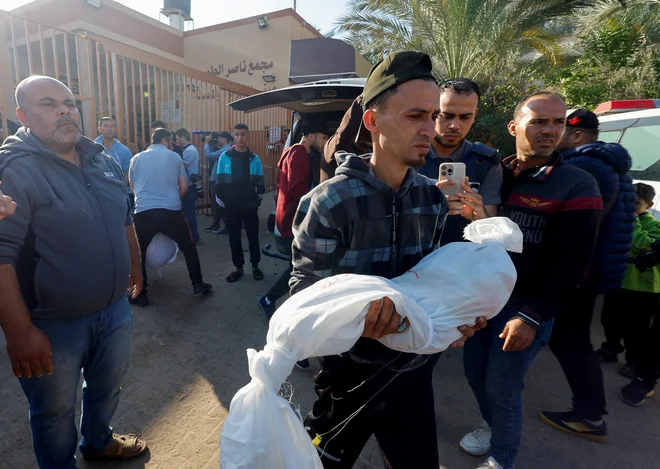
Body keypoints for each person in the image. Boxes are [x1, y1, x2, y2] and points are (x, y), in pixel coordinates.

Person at [291, 51, 485, 469]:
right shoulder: (329, 202)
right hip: (348, 375)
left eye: (433, 116)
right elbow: (303, 296)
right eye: (415, 116)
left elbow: (432, 282)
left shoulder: (432, 198)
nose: (430, 130)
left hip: (414, 372)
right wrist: (360, 320)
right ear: (373, 122)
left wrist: (456, 318)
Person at [0, 75, 147, 468]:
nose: (65, 110)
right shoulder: (14, 171)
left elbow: (124, 216)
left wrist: (135, 265)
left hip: (114, 308)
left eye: (69, 102)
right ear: (23, 116)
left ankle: (98, 441)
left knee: (106, 388)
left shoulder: (102, 159)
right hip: (52, 324)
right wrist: (19, 334)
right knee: (54, 412)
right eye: (48, 104)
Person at [455, 92, 602, 469]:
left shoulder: (577, 183)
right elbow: (486, 235)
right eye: (538, 121)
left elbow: (575, 262)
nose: (550, 130)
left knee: (502, 387)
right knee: (474, 374)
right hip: (485, 300)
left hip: (526, 307)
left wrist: (534, 316)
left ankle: (502, 458)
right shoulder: (496, 174)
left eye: (557, 122)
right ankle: (492, 427)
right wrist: (472, 215)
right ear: (514, 126)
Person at [539, 108, 635, 441]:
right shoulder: (611, 165)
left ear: (578, 135)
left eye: (560, 127)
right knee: (572, 338)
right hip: (599, 268)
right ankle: (590, 412)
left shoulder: (584, 167)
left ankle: (590, 416)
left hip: (583, 270)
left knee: (570, 341)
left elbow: (579, 225)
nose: (552, 133)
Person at [129, 128, 212, 307]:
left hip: (143, 212)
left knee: (138, 252)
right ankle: (197, 283)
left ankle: (141, 293)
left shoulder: (135, 158)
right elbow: (183, 187)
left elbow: (133, 188)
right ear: (165, 141)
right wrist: (171, 199)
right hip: (171, 211)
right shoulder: (175, 157)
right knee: (188, 246)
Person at [418, 78, 502, 245]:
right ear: (433, 111)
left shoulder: (486, 163)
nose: (455, 125)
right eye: (446, 116)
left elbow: (491, 235)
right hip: (414, 262)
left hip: (465, 262)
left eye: (465, 117)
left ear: (475, 115)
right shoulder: (409, 156)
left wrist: (479, 215)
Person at [600, 183, 660, 405]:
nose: (630, 207)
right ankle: (610, 348)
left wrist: (632, 221)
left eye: (636, 204)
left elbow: (644, 245)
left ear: (649, 205)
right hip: (618, 282)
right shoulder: (617, 222)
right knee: (610, 319)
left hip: (643, 289)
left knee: (637, 329)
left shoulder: (652, 225)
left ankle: (634, 361)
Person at [216, 123, 265, 283]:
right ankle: (238, 267)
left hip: (249, 205)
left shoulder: (255, 159)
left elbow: (260, 184)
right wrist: (226, 203)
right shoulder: (225, 157)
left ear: (248, 136)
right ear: (233, 136)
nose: (240, 138)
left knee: (253, 237)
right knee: (234, 237)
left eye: (243, 134)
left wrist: (256, 202)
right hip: (232, 206)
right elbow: (220, 183)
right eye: (236, 134)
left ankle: (255, 265)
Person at [174, 128, 202, 244]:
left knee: (189, 213)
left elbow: (181, 166)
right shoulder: (188, 150)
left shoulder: (189, 151)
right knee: (188, 212)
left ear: (182, 137)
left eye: (177, 139)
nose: (176, 142)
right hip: (189, 185)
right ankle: (193, 237)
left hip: (189, 186)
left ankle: (194, 237)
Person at [204, 131, 233, 235]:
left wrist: (207, 143)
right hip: (215, 179)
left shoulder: (226, 150)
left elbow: (209, 156)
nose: (218, 140)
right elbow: (211, 158)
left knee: (218, 204)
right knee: (215, 204)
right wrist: (211, 145)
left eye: (219, 138)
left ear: (225, 139)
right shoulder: (222, 149)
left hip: (218, 180)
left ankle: (226, 226)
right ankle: (216, 224)